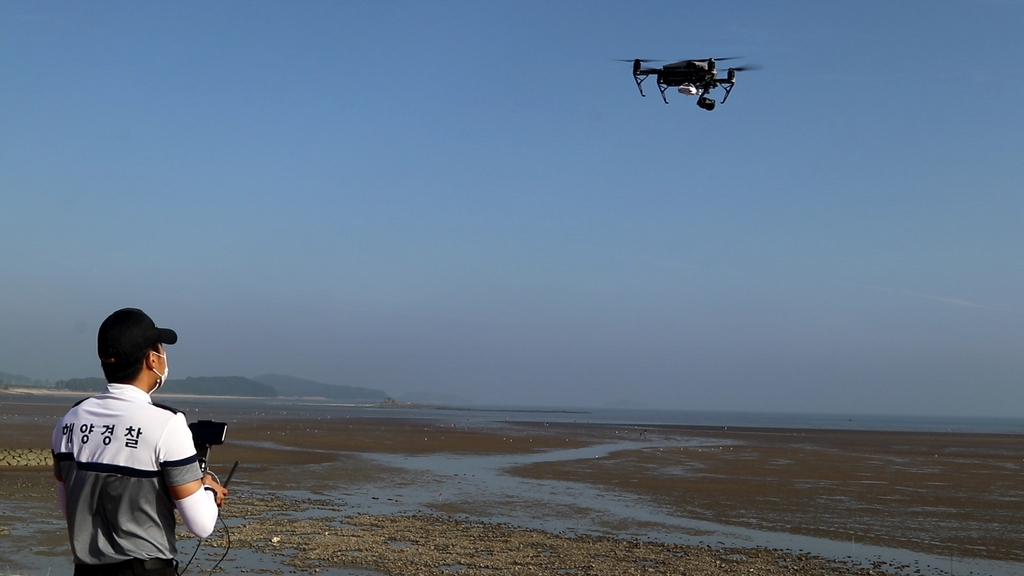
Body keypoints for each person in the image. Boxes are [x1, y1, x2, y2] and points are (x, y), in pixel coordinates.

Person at [51, 308, 228, 576]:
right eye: (161, 350)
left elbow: (70, 511)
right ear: (152, 360)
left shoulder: (67, 422)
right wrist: (209, 490)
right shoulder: (167, 424)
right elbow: (201, 525)